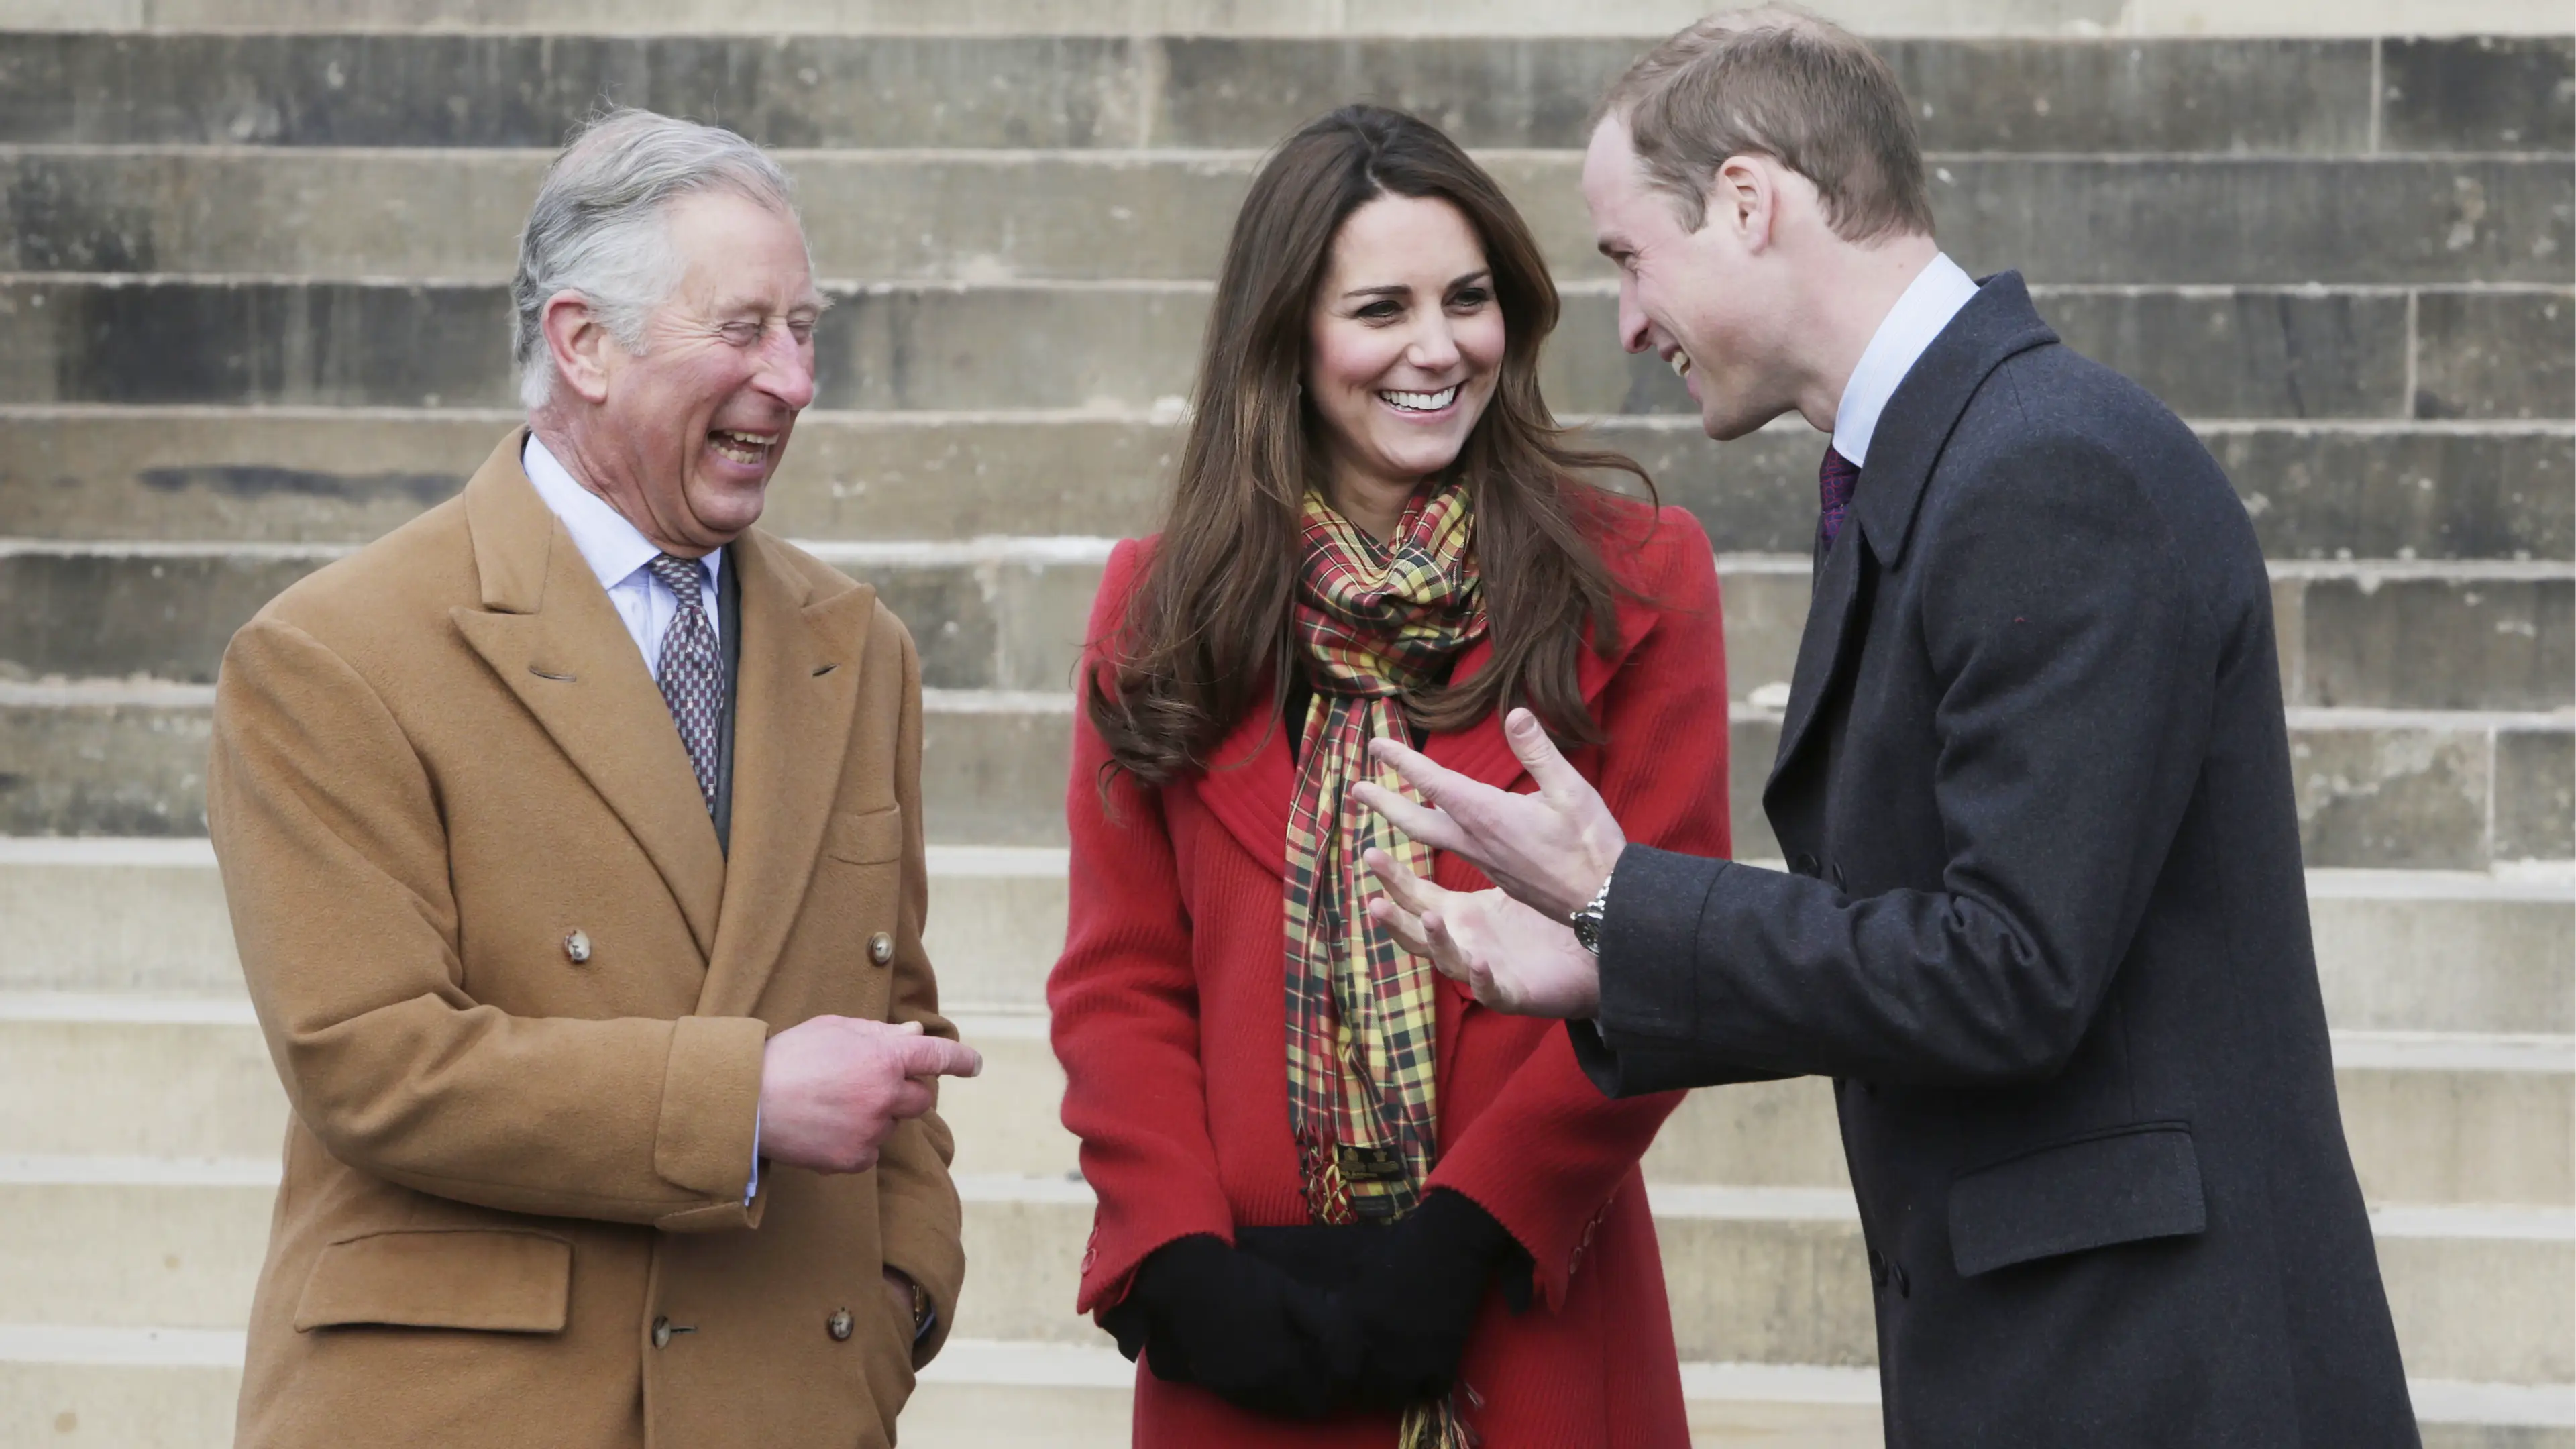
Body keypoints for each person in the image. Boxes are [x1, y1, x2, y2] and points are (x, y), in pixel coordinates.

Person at [1354, 12, 2420, 1446]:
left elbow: (2011, 973)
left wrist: (1623, 900)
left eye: (1626, 257)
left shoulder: (2046, 467)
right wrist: (1616, 962)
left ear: (1747, 202)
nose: (1626, 320)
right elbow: (1940, 943)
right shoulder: (1963, 456)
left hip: (2159, 1374)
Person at [207, 109, 981, 1449]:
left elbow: (892, 1009)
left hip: (783, 1402)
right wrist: (740, 1103)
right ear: (584, 344)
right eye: (743, 330)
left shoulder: (858, 649)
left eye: (806, 331)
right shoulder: (334, 651)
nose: (792, 381)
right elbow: (371, 1060)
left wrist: (902, 1294)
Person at [1048, 105, 1731, 1448]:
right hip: (1245, 1332)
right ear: (1288, 338)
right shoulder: (1158, 606)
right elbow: (1121, 982)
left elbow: (1674, 953)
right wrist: (1180, 1258)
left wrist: (1468, 1232)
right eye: (1381, 308)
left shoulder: (1640, 578)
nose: (1438, 348)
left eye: (1468, 299)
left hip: (1525, 1305)